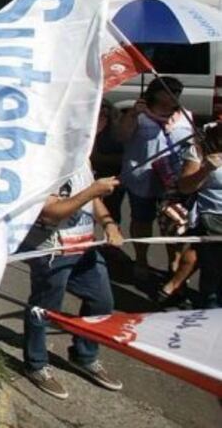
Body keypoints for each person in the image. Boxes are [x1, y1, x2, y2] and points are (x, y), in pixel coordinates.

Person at [21, 164, 124, 400]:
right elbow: (50, 212)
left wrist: (108, 223)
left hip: (84, 245)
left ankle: (84, 355)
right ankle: (36, 364)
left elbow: (93, 197)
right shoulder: (47, 160)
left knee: (102, 302)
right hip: (53, 249)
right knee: (44, 310)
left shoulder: (83, 153)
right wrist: (93, 190)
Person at [117, 76, 192, 281]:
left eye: (176, 93)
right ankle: (141, 260)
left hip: (172, 182)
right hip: (142, 179)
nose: (173, 97)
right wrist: (133, 114)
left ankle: (174, 261)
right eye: (168, 91)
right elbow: (122, 137)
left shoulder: (185, 116)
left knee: (173, 224)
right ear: (155, 93)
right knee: (142, 221)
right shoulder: (139, 115)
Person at [178, 122, 222, 308]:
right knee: (213, 274)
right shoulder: (201, 149)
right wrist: (205, 170)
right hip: (214, 220)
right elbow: (185, 187)